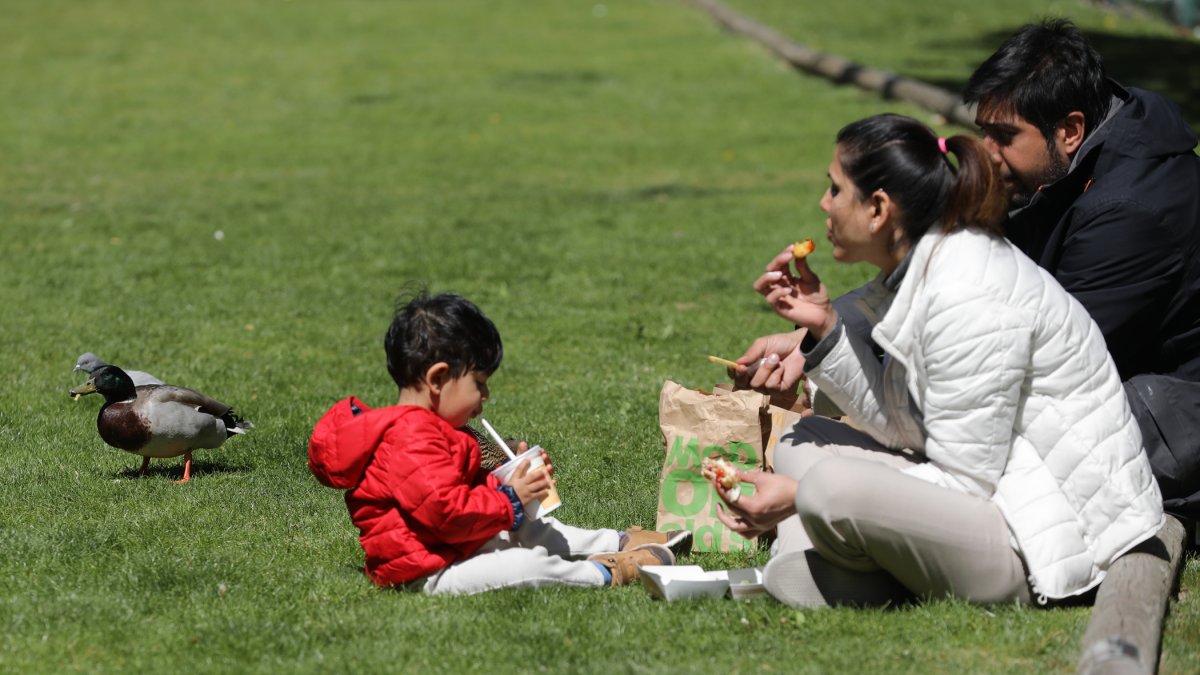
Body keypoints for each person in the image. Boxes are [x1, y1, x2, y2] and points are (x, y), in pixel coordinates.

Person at [739, 19, 1200, 521]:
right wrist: (823, 335)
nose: (988, 154)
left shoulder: (1131, 209)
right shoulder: (1056, 169)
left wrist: (840, 382)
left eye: (1005, 136)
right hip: (1095, 390)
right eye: (984, 131)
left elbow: (1032, 367)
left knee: (964, 441)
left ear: (1070, 130)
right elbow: (939, 270)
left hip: (1162, 412)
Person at [718, 114, 1164, 608]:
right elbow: (903, 427)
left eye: (836, 189)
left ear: (878, 209)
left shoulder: (967, 294)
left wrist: (799, 498)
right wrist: (824, 327)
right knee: (801, 441)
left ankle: (834, 562)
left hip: (1039, 540)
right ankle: (841, 564)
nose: (824, 203)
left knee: (825, 485)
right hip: (996, 494)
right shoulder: (927, 267)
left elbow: (966, 482)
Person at [308, 290, 688, 595]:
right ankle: (605, 572)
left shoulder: (431, 428)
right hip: (427, 569)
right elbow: (447, 515)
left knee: (528, 530)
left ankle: (618, 541)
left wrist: (510, 480)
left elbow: (455, 494)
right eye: (479, 383)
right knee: (522, 564)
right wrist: (511, 499)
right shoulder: (411, 438)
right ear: (438, 379)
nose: (485, 396)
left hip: (451, 546)